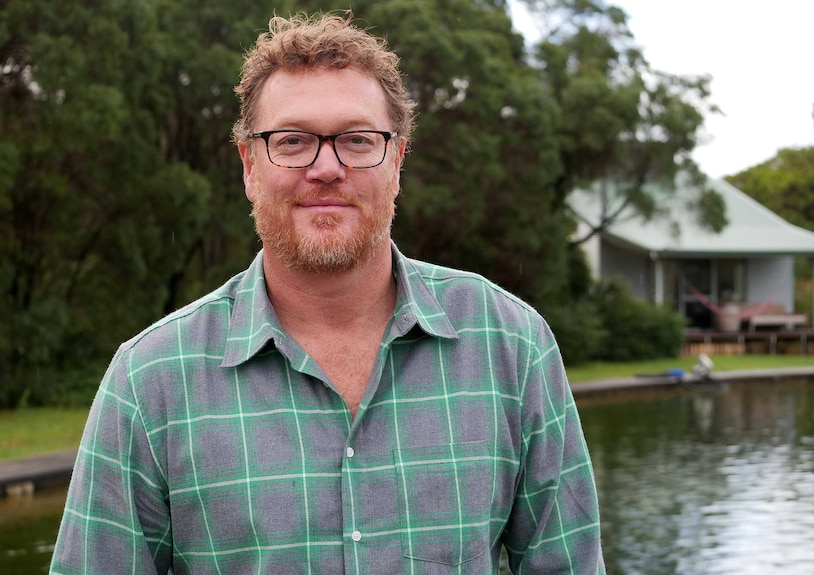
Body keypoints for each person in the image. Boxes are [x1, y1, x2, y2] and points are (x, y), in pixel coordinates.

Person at [50, 11, 604, 575]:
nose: (326, 168)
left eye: (358, 141)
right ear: (249, 164)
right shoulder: (149, 380)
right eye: (292, 141)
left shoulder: (512, 345)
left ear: (397, 160)